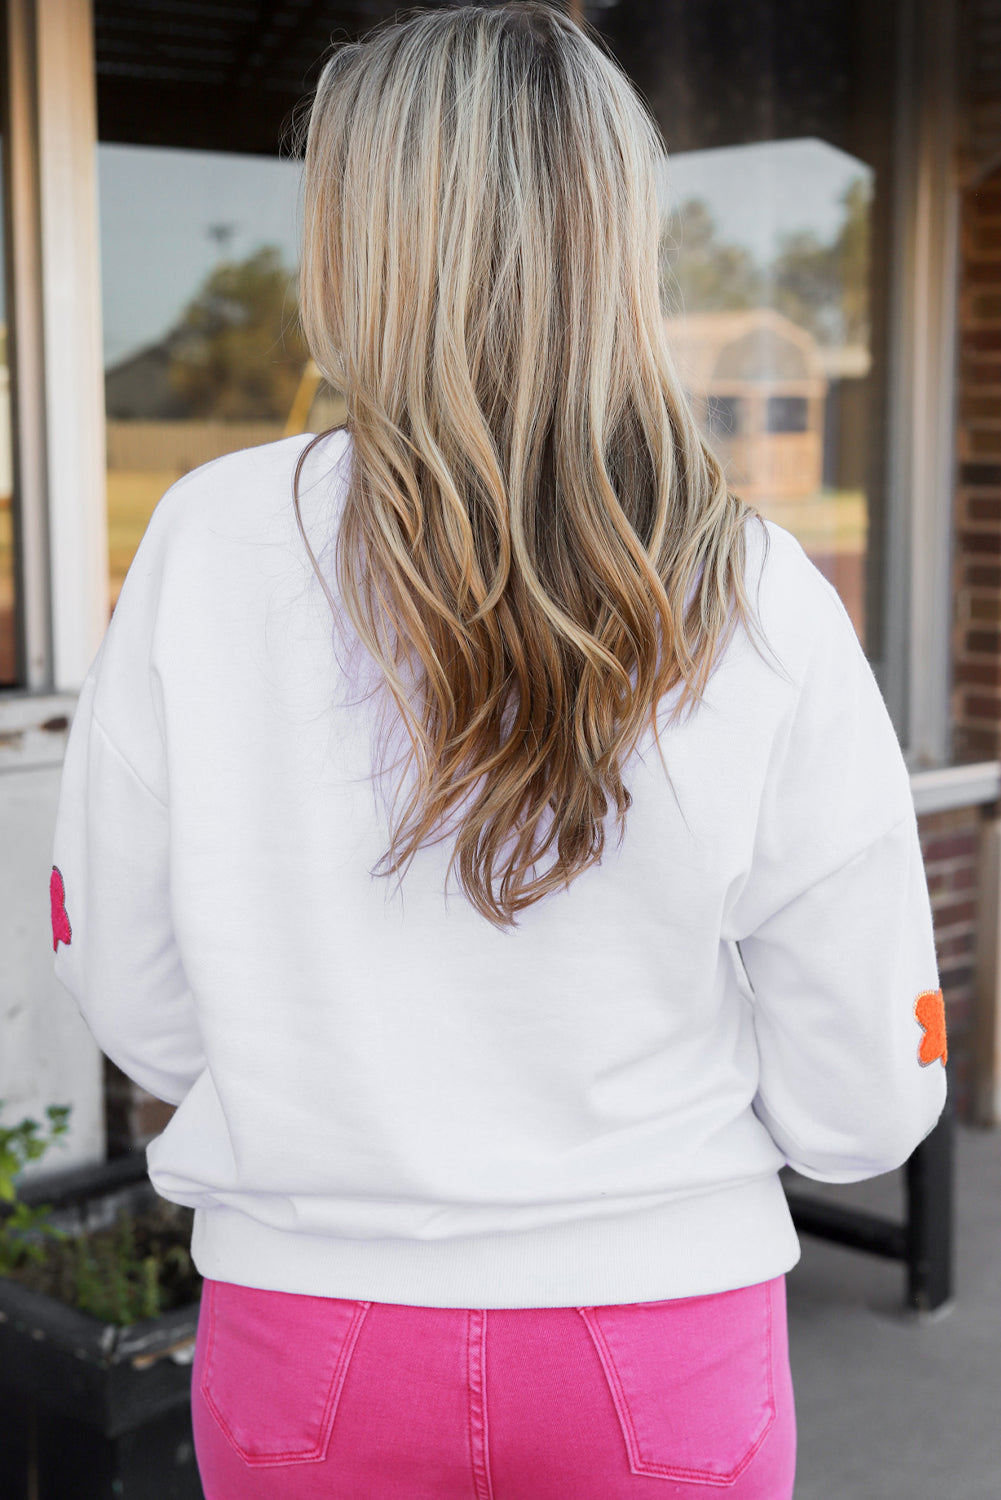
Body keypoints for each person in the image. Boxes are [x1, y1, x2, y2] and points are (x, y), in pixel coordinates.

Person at [49, 4, 948, 1496]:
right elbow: (862, 1105)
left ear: (350, 236)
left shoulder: (209, 544)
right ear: (616, 230)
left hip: (309, 1336)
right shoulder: (751, 583)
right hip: (660, 1346)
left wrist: (334, 1086)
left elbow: (138, 999)